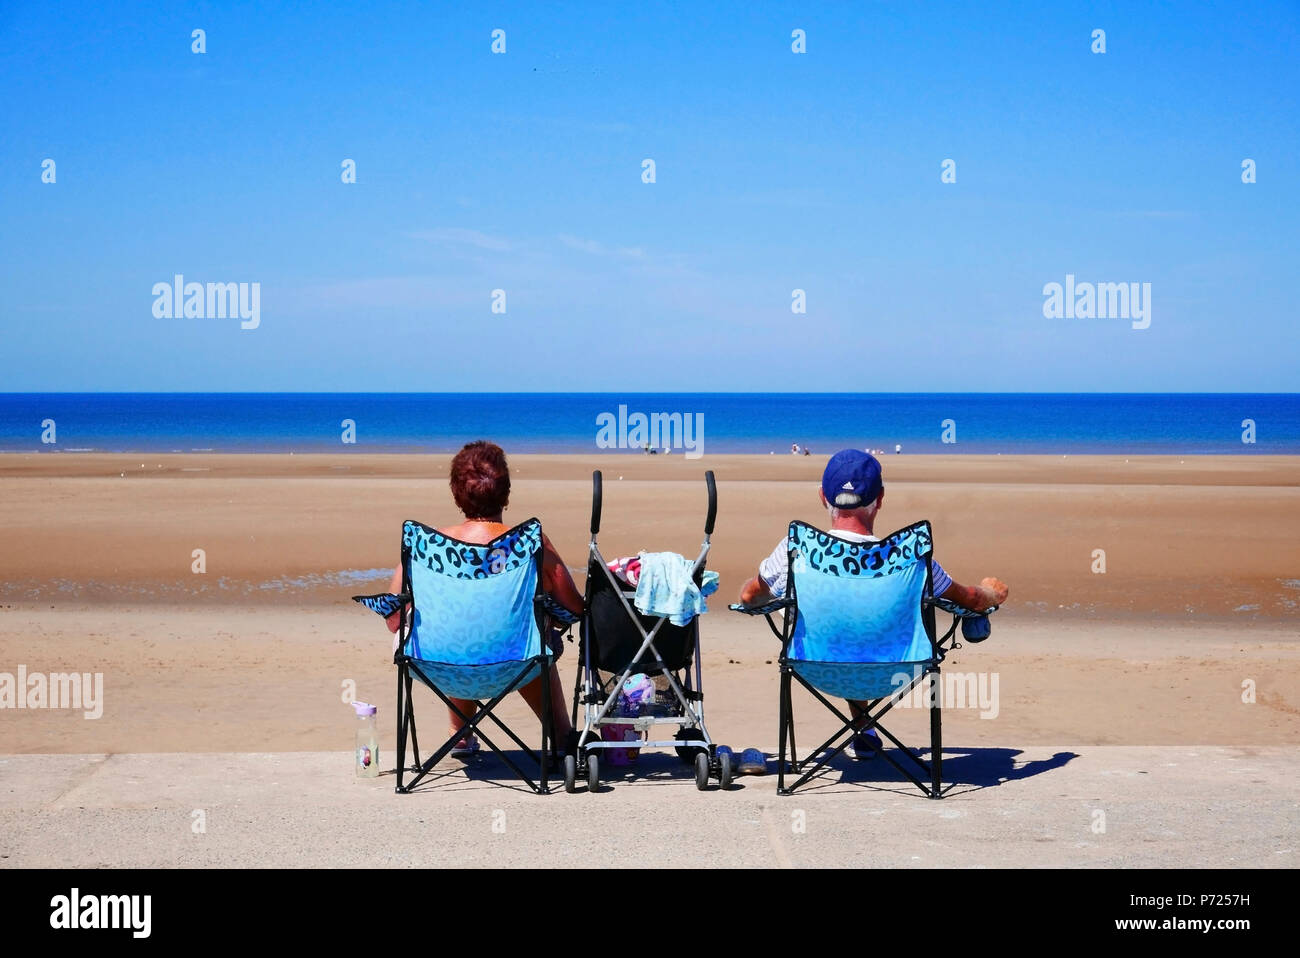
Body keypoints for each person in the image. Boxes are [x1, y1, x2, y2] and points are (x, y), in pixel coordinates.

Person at [738, 449, 1008, 759]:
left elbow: (750, 597)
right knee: (866, 621)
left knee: (838, 621)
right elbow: (970, 600)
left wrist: (751, 592)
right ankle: (864, 727)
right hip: (898, 670)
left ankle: (863, 728)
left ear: (822, 496)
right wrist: (992, 593)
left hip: (816, 668)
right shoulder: (909, 556)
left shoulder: (797, 550)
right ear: (879, 498)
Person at [383, 440, 582, 758]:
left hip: (436, 666)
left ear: (455, 493)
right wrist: (547, 611)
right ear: (506, 493)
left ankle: (460, 733)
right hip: (515, 665)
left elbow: (394, 620)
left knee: (463, 624)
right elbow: (574, 607)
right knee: (529, 637)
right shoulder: (529, 543)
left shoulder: (425, 546)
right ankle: (561, 737)